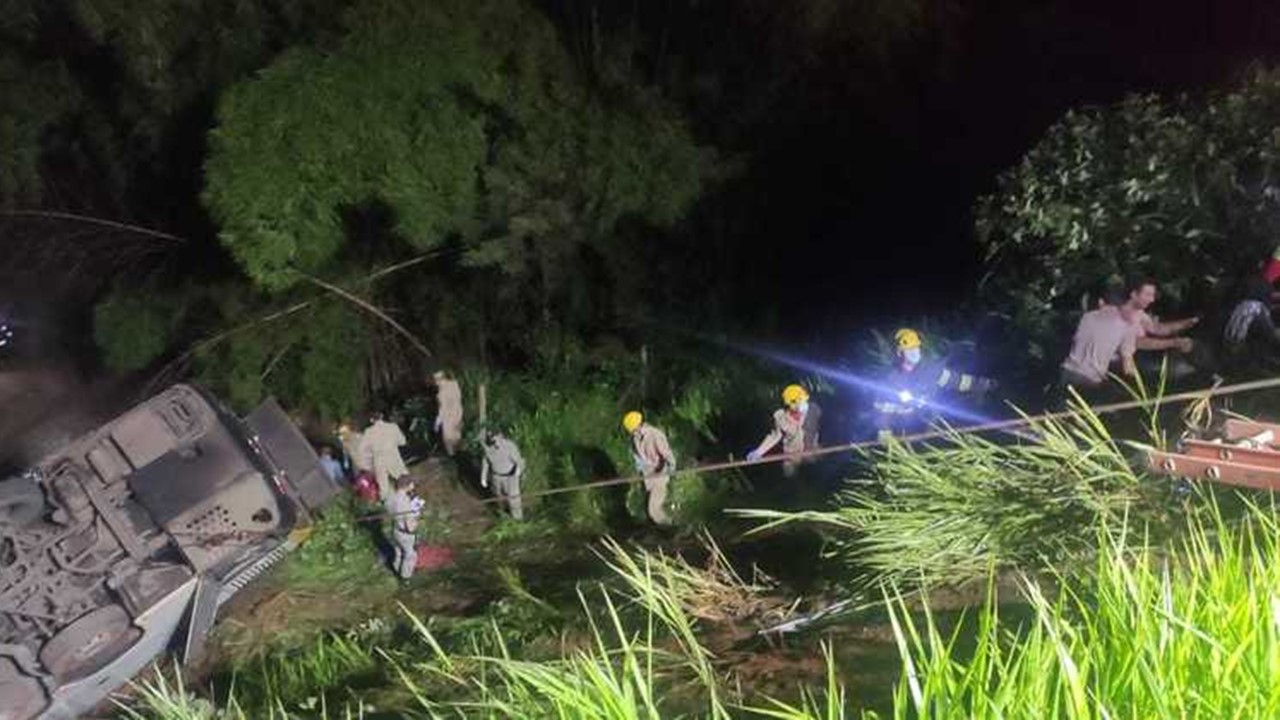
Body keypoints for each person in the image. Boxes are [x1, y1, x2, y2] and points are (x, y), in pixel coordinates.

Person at [873, 328, 995, 439]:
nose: (915, 352)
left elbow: (958, 382)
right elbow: (883, 413)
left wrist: (986, 384)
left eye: (916, 348)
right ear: (900, 353)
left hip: (930, 423)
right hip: (904, 430)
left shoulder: (930, 370)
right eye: (910, 350)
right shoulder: (891, 381)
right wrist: (885, 434)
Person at [1060, 285, 1138, 393]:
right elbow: (1127, 366)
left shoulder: (1087, 317)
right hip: (1090, 381)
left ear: (1101, 301)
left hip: (1067, 373)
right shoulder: (1126, 326)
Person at [1121, 278, 1199, 377]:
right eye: (1148, 295)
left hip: (1141, 354)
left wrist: (1187, 323)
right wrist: (1174, 342)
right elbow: (1137, 343)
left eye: (1153, 295)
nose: (1152, 300)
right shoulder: (1124, 314)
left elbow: (1155, 328)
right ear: (1134, 294)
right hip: (1128, 360)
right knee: (1179, 369)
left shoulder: (1138, 311)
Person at [747, 384, 822, 477]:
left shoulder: (814, 410)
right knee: (789, 475)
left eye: (802, 400)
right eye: (797, 401)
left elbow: (817, 428)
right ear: (789, 403)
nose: (801, 404)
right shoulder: (781, 417)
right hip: (791, 457)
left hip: (811, 454)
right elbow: (775, 436)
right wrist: (758, 452)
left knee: (816, 473)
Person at [623, 411, 676, 525]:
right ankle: (662, 532)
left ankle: (669, 527)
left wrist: (668, 470)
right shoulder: (635, 438)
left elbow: (668, 456)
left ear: (637, 426)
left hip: (660, 476)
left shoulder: (655, 434)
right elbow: (638, 458)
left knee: (654, 510)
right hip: (647, 478)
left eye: (632, 430)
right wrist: (639, 470)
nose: (632, 433)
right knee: (648, 510)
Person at [358, 409, 409, 502]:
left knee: (384, 488)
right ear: (382, 416)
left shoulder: (368, 432)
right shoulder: (393, 427)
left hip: (379, 461)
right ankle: (410, 502)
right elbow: (403, 442)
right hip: (393, 458)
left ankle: (389, 509)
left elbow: (362, 449)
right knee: (403, 481)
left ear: (371, 420)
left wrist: (368, 461)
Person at [1224, 275, 1280, 353]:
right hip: (1252, 307)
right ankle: (1234, 342)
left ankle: (1234, 342)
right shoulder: (1265, 288)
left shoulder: (1263, 287)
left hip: (1251, 306)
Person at [480, 429, 525, 520]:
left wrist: (518, 471)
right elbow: (486, 463)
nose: (493, 440)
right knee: (498, 498)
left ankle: (518, 519)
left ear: (500, 436)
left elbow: (519, 461)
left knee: (513, 499)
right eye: (490, 437)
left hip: (510, 477)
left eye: (494, 437)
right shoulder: (488, 448)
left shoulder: (510, 446)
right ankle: (503, 517)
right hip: (496, 477)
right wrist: (483, 477)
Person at [386, 474, 423, 581]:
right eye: (412, 483)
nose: (414, 485)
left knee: (398, 551)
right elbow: (410, 527)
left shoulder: (392, 497)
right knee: (410, 555)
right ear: (408, 485)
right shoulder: (405, 502)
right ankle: (405, 578)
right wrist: (416, 515)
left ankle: (397, 570)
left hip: (395, 530)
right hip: (405, 534)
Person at [432, 370, 464, 456]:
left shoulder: (442, 393)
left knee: (448, 439)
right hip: (458, 414)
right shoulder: (454, 384)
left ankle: (452, 456)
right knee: (458, 435)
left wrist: (437, 422)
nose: (435, 382)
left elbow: (443, 409)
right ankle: (460, 454)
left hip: (449, 418)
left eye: (436, 380)